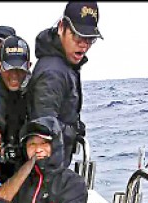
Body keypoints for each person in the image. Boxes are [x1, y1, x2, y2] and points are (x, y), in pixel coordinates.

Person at [27, 1, 103, 167]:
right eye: (77, 36)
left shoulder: (65, 65)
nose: (84, 44)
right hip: (47, 174)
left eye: (90, 39)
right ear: (62, 27)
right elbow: (42, 134)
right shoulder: (53, 73)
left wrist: (74, 125)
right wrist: (72, 131)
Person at [0, 35, 31, 181]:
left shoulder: (33, 90)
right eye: (9, 69)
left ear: (29, 66)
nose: (15, 76)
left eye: (20, 69)